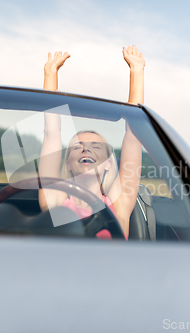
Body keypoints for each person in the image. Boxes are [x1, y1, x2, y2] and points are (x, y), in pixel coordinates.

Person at [38, 46, 145, 239]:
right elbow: (51, 133)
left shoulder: (118, 204)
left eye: (96, 147)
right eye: (77, 147)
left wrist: (136, 71)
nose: (86, 149)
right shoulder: (56, 202)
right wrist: (50, 73)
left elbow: (133, 135)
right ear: (68, 162)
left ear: (108, 163)